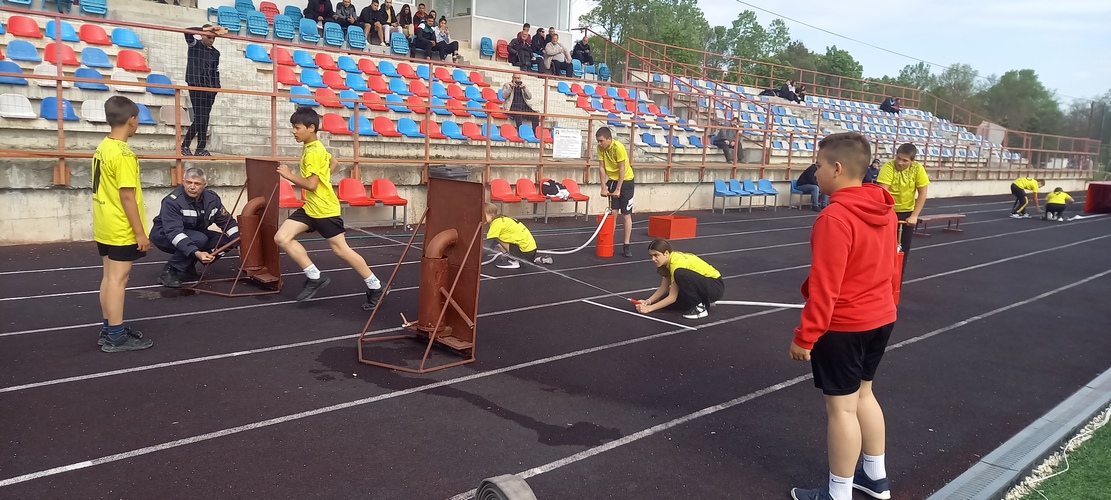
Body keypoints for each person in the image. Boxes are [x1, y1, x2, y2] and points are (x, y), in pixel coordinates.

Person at [788, 131, 897, 500]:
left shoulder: (834, 217)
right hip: (881, 316)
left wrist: (805, 336)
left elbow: (825, 286)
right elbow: (890, 268)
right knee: (864, 395)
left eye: (818, 165)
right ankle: (875, 477)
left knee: (842, 410)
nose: (814, 172)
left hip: (846, 325)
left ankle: (838, 493)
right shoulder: (885, 209)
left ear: (837, 168)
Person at [274, 107, 384, 310]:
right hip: (311, 207)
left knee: (341, 250)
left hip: (325, 210)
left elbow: (311, 185)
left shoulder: (313, 152)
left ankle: (375, 286)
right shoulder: (313, 146)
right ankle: (315, 277)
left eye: (297, 127)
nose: (293, 131)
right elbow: (334, 162)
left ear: (311, 128)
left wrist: (289, 175)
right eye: (293, 127)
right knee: (282, 237)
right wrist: (324, 177)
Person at [93, 96, 155, 353]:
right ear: (131, 120)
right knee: (119, 279)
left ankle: (109, 329)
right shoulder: (124, 154)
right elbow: (127, 196)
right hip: (120, 227)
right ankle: (116, 336)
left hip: (104, 223)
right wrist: (140, 233)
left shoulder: (103, 147)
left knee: (109, 277)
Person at [149, 167, 239, 288]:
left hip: (194, 233)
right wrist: (196, 253)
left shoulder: (212, 199)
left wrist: (238, 241)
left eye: (197, 184)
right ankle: (169, 271)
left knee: (225, 240)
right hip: (164, 235)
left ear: (204, 185)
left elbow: (227, 222)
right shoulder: (172, 201)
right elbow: (174, 232)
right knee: (199, 239)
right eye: (188, 182)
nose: (192, 187)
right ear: (183, 182)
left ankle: (187, 264)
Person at [635, 238, 724, 320]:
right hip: (705, 286)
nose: (653, 259)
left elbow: (672, 297)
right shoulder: (667, 263)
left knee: (679, 273)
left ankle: (699, 308)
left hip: (715, 286)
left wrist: (649, 309)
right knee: (665, 302)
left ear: (666, 253)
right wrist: (648, 302)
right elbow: (664, 288)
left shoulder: (677, 264)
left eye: (656, 255)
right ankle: (704, 301)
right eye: (651, 256)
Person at [876, 143, 928, 268]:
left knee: (903, 250)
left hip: (907, 212)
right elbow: (883, 192)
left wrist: (914, 215)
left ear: (912, 161)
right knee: (884, 249)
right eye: (898, 158)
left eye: (905, 160)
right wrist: (887, 214)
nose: (900, 163)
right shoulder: (888, 167)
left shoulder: (918, 169)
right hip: (889, 210)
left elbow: (922, 193)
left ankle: (899, 277)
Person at [182, 24, 226, 157]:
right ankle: (185, 145)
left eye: (213, 38)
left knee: (205, 118)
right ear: (202, 35)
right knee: (200, 117)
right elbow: (187, 31)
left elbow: (216, 72)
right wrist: (205, 29)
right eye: (209, 37)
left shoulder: (215, 53)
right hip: (196, 86)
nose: (211, 40)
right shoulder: (194, 45)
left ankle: (200, 148)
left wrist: (216, 88)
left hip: (210, 89)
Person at [596, 126, 635, 258]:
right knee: (613, 213)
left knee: (626, 214)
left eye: (601, 141)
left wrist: (618, 189)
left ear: (609, 139)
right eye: (598, 141)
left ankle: (626, 245)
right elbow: (601, 168)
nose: (599, 143)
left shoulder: (618, 147)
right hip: (612, 180)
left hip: (626, 181)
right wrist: (603, 187)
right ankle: (609, 243)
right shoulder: (600, 148)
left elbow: (622, 169)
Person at [483, 203, 553, 269]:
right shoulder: (503, 219)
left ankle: (514, 261)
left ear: (491, 215)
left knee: (496, 240)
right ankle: (535, 260)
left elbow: (489, 243)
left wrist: (479, 259)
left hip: (524, 252)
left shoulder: (496, 223)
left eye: (483, 215)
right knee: (499, 239)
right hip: (531, 250)